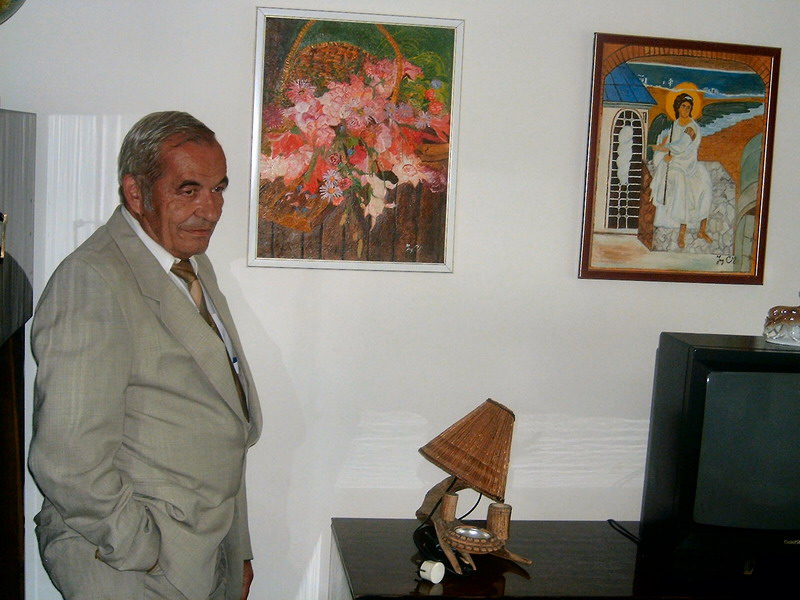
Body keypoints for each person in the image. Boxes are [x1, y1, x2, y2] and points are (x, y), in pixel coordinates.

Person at [28, 111, 262, 600]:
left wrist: (236, 549)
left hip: (202, 554)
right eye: (188, 190)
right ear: (135, 193)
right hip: (130, 568)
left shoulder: (191, 264)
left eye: (218, 189)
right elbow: (68, 460)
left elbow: (224, 420)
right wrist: (144, 551)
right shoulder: (92, 279)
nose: (211, 210)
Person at [650, 92, 714, 248]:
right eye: (683, 106)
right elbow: (670, 143)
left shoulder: (691, 127)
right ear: (677, 107)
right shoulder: (675, 124)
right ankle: (681, 233)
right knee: (682, 188)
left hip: (689, 165)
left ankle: (702, 230)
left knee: (705, 187)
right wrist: (665, 153)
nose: (686, 109)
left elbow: (681, 145)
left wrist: (662, 149)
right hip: (676, 165)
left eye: (688, 107)